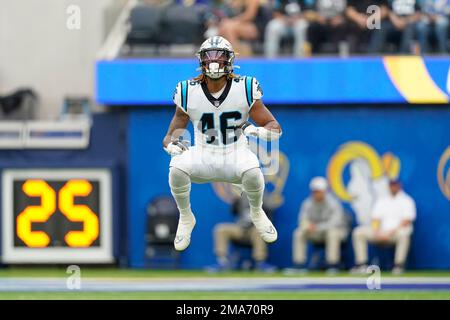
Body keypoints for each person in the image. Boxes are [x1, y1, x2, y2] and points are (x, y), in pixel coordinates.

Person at [163, 36, 282, 253]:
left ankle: (256, 211)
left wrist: (256, 130)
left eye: (220, 57)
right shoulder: (187, 90)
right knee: (176, 167)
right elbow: (172, 133)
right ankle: (186, 215)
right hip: (203, 154)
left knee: (254, 172)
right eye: (209, 57)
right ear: (201, 61)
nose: (214, 62)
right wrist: (170, 145)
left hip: (235, 153)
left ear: (230, 61)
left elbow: (275, 128)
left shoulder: (245, 87)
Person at [351, 179, 416, 275]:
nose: (393, 187)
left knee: (404, 234)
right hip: (380, 233)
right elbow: (375, 218)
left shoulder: (407, 200)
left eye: (395, 185)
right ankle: (362, 264)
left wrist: (390, 232)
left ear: (399, 186)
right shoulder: (382, 200)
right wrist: (377, 231)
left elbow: (407, 220)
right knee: (358, 232)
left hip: (395, 233)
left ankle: (398, 265)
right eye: (391, 185)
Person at [286, 177, 348, 274]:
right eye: (314, 191)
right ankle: (299, 264)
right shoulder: (308, 203)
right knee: (299, 232)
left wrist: (317, 227)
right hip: (316, 232)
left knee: (332, 233)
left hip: (336, 231)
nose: (316, 193)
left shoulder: (333, 203)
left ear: (325, 191)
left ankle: (332, 264)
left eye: (318, 191)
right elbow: (302, 219)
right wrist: (307, 226)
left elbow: (336, 222)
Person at [207, 195, 277, 272]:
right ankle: (222, 262)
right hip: (241, 228)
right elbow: (233, 212)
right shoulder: (241, 196)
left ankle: (260, 262)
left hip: (254, 229)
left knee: (258, 232)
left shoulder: (263, 196)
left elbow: (270, 213)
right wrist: (236, 201)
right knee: (221, 229)